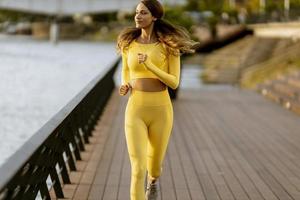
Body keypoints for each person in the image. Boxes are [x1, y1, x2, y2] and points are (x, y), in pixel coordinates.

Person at [117, 0, 196, 199]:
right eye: (136, 12)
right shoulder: (129, 45)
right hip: (135, 109)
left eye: (143, 13)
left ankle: (153, 182)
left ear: (154, 16)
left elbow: (174, 82)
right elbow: (126, 71)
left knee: (154, 166)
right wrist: (125, 84)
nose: (137, 16)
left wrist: (150, 65)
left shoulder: (170, 46)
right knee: (137, 168)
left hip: (161, 110)